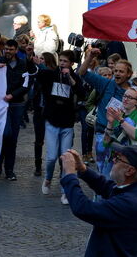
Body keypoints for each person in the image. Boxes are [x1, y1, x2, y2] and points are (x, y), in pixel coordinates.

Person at [60, 146, 137, 257]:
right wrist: (83, 169)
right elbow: (107, 187)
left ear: (130, 170)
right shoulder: (136, 189)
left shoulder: (131, 203)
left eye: (118, 159)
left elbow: (83, 208)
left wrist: (70, 175)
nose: (113, 160)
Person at [35, 50, 85, 204]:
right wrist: (34, 62)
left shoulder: (74, 78)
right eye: (61, 60)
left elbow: (82, 94)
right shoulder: (51, 74)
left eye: (65, 61)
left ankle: (65, 192)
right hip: (52, 122)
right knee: (51, 158)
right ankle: (48, 178)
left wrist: (70, 77)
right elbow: (37, 75)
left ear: (71, 64)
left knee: (66, 159)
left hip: (67, 124)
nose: (62, 64)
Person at [78, 48, 132, 177]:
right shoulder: (107, 84)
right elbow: (82, 72)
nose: (117, 73)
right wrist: (90, 57)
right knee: (102, 169)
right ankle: (100, 195)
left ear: (128, 74)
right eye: (116, 71)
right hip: (102, 133)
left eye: (121, 71)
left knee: (118, 172)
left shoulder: (133, 92)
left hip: (121, 138)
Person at [0, 39, 37, 181]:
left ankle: (9, 170)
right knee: (5, 134)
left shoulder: (23, 64)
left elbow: (27, 83)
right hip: (0, 104)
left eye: (11, 49)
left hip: (16, 104)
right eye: (6, 49)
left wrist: (13, 95)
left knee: (13, 137)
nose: (8, 52)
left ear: (16, 50)